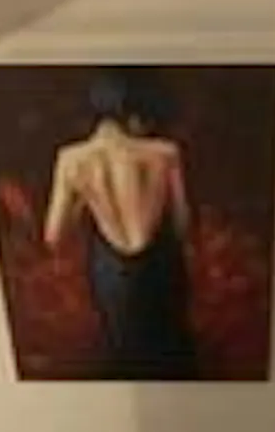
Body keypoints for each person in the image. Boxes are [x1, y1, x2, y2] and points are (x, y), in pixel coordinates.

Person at [44, 69, 197, 377]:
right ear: (133, 112)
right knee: (171, 358)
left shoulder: (71, 159)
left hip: (112, 274)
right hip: (161, 266)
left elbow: (53, 237)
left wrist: (84, 203)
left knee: (126, 358)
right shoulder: (165, 153)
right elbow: (182, 223)